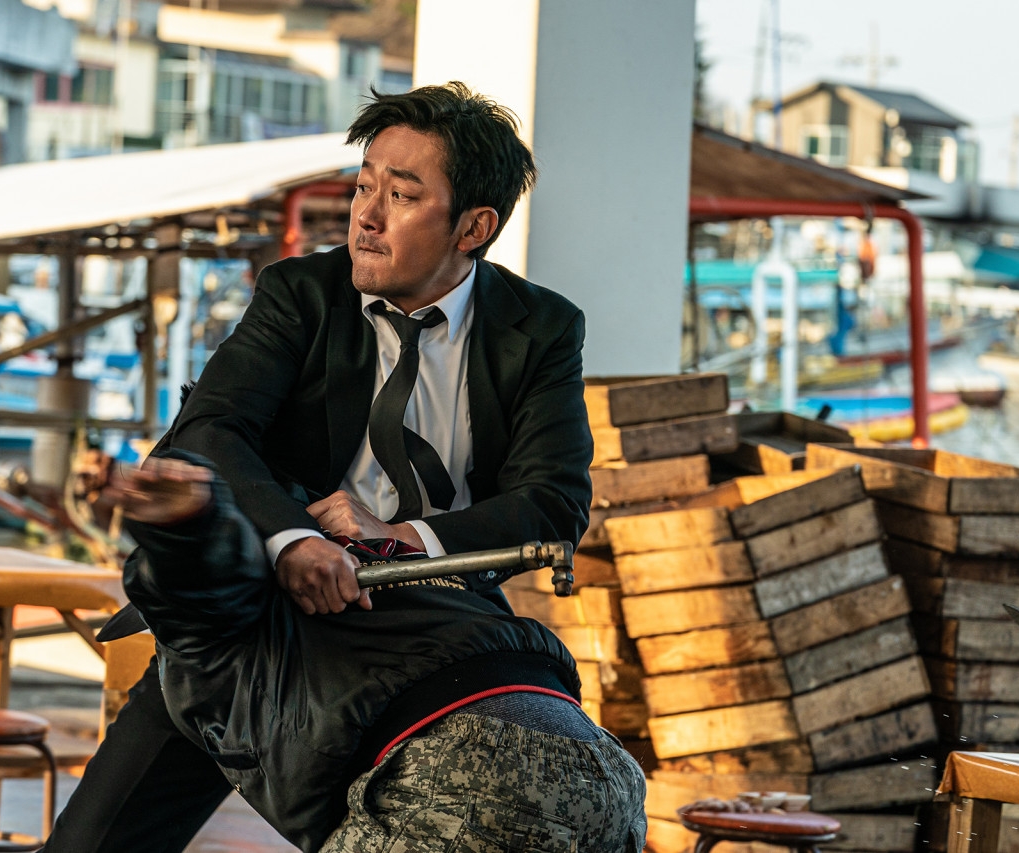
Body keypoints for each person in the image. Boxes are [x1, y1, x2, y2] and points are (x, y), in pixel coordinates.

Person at [44, 81, 645, 852]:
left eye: (402, 195)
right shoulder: (302, 293)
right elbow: (208, 431)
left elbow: (552, 504)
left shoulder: (541, 328)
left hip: (426, 631)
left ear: (474, 227)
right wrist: (297, 539)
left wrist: (396, 538)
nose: (366, 215)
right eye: (364, 186)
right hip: (259, 627)